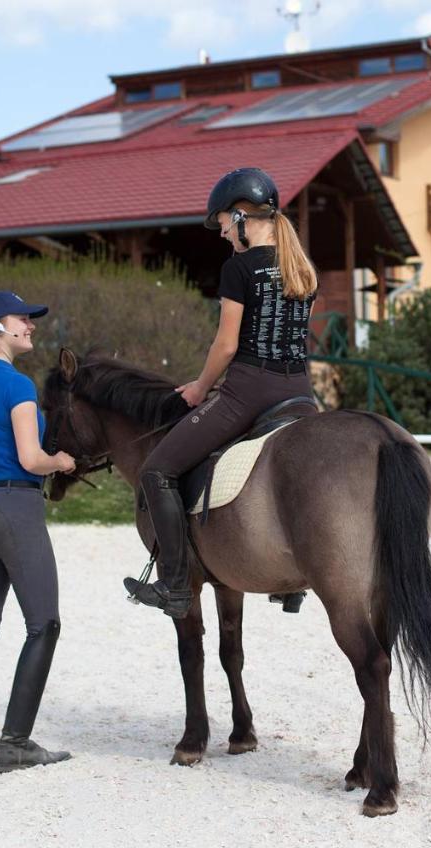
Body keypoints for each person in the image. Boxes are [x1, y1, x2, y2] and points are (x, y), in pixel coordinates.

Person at [123, 167, 318, 618]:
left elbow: (227, 345)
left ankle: (174, 586)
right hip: (299, 392)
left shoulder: (239, 268)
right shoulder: (303, 269)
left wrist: (199, 387)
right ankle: (293, 583)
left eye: (225, 225)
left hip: (249, 391)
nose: (223, 234)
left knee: (157, 471)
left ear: (242, 215)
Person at [0, 291, 77, 772]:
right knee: (43, 622)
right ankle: (17, 742)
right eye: (21, 319)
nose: (30, 325)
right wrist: (60, 461)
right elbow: (31, 459)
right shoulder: (19, 387)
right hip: (16, 509)